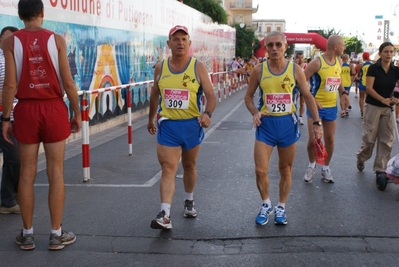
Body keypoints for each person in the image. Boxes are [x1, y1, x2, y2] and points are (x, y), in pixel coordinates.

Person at [2, 0, 81, 250]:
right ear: (42, 13)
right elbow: (68, 83)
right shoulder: (57, 40)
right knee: (55, 171)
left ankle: (27, 235)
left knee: (27, 172)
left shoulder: (9, 42)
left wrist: (5, 117)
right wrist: (77, 113)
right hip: (54, 107)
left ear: (20, 15)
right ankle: (56, 234)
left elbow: (10, 85)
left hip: (25, 109)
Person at [244, 31, 322, 226]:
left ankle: (281, 206)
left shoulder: (295, 70)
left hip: (288, 124)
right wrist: (254, 111)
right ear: (266, 48)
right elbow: (248, 97)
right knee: (260, 170)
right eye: (270, 45)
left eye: (278, 45)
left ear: (286, 46)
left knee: (285, 169)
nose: (274, 49)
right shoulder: (259, 70)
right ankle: (266, 204)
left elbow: (308, 96)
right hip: (266, 125)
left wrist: (317, 124)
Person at [147, 25, 216, 230]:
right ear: (168, 44)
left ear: (189, 43)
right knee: (168, 168)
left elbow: (211, 96)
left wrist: (207, 113)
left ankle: (189, 199)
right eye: (175, 39)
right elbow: (155, 94)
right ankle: (165, 214)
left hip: (191, 125)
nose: (180, 43)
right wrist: (151, 119)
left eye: (183, 39)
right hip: (168, 125)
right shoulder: (161, 67)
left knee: (189, 166)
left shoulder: (197, 67)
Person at [302, 35, 349, 183]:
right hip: (315, 108)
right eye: (343, 45)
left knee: (329, 139)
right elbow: (301, 81)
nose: (344, 48)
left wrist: (343, 93)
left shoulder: (339, 61)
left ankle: (326, 168)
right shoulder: (317, 63)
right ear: (336, 46)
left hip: (331, 106)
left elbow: (338, 79)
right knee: (313, 140)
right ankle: (311, 165)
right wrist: (313, 99)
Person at [356, 42, 399, 180]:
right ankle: (361, 158)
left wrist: (396, 98)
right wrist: (382, 99)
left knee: (387, 139)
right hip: (373, 105)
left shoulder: (396, 70)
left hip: (388, 108)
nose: (389, 54)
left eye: (391, 52)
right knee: (369, 139)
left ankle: (381, 169)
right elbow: (369, 88)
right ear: (380, 53)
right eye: (386, 51)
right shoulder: (373, 68)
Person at [0, 26, 20, 215]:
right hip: (3, 118)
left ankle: (7, 200)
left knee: (11, 160)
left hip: (17, 117)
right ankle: (17, 196)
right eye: (6, 39)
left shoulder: (17, 59)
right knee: (16, 159)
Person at [357, 52, 372, 119]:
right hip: (370, 84)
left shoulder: (361, 65)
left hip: (362, 83)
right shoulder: (372, 65)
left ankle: (362, 112)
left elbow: (359, 75)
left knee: (361, 98)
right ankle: (368, 113)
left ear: (363, 57)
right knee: (368, 99)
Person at [295, 52, 307, 125]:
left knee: (302, 103)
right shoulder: (294, 66)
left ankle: (300, 117)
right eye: (299, 58)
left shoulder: (306, 66)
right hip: (295, 87)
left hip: (303, 86)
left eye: (302, 58)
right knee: (294, 103)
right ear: (296, 58)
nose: (300, 59)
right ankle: (293, 116)